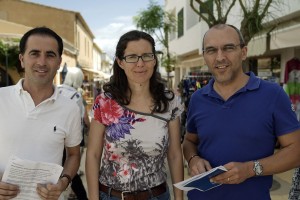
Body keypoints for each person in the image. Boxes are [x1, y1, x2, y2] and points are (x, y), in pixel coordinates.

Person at [182, 24, 300, 200]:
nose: (220, 57)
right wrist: (193, 159)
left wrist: (251, 169)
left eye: (228, 48)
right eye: (212, 50)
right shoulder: (198, 98)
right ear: (205, 56)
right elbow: (189, 141)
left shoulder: (273, 94)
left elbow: (296, 151)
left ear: (244, 52)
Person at [85, 30, 184, 200]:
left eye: (147, 56)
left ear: (154, 60)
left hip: (157, 196)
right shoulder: (105, 102)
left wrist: (179, 198)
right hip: (111, 196)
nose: (140, 63)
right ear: (120, 62)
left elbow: (175, 154)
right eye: (132, 57)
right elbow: (93, 155)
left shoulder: (170, 102)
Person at [0, 27, 82, 200]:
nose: (42, 62)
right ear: (22, 59)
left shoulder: (70, 108)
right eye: (34, 53)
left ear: (59, 62)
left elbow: (74, 155)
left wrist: (64, 181)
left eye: (50, 55)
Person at [58, 67, 89, 200]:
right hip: (72, 138)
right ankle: (81, 196)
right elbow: (84, 119)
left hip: (55, 136)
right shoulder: (76, 96)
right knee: (71, 169)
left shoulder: (55, 89)